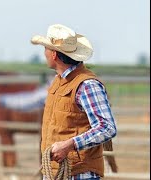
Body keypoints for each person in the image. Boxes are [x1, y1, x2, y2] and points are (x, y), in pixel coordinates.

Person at [29, 24, 117, 179]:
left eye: (46, 49)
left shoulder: (87, 85)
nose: (44, 54)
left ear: (54, 54)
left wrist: (69, 145)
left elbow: (107, 127)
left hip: (79, 173)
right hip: (55, 173)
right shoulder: (57, 82)